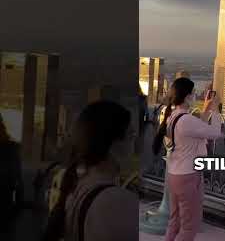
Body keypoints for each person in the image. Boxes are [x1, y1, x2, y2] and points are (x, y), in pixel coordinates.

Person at [42, 100, 138, 241]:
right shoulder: (115, 201)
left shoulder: (77, 186)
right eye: (131, 136)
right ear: (112, 145)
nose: (134, 145)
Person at [164, 77, 222, 241]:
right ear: (188, 96)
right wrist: (216, 110)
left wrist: (206, 109)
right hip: (188, 176)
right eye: (193, 92)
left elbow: (196, 131)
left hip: (174, 175)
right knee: (189, 227)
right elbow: (215, 133)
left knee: (174, 222)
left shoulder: (173, 117)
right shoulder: (186, 120)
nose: (195, 95)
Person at [0, 113, 23, 235]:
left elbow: (18, 183)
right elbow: (18, 183)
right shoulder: (11, 148)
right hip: (6, 210)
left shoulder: (11, 149)